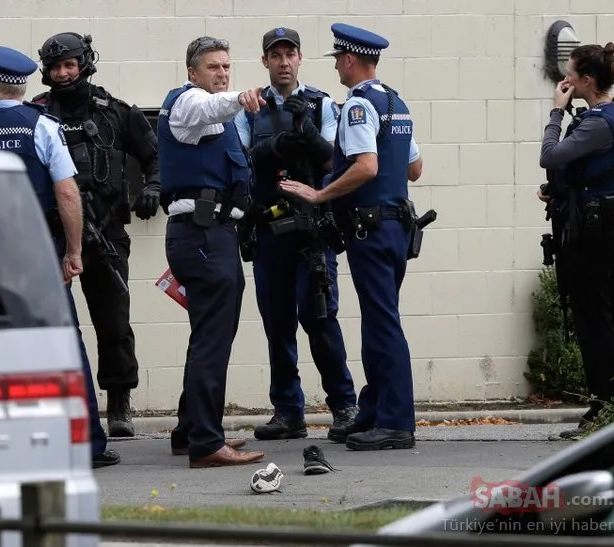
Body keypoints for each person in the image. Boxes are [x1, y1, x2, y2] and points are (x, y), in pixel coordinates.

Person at [0, 45, 120, 468]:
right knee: (62, 343)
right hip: (38, 249)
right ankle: (87, 445)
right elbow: (66, 192)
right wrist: (74, 251)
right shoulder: (42, 126)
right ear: (22, 85)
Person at [279, 23, 423, 451]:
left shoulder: (359, 106)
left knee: (383, 324)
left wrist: (320, 193)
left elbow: (366, 166)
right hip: (395, 226)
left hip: (372, 228)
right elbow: (414, 169)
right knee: (382, 320)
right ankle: (374, 410)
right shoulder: (395, 102)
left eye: (339, 59)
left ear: (350, 60)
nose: (338, 66)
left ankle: (396, 423)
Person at [31, 32, 162, 438]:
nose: (64, 73)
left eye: (70, 64)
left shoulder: (116, 112)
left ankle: (119, 404)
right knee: (48, 325)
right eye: (56, 67)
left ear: (85, 63)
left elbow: (156, 155)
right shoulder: (34, 114)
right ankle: (53, 404)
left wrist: (153, 187)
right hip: (51, 238)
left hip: (106, 235)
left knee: (113, 324)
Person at [233, 27, 358, 443]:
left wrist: (305, 139)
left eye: (290, 54)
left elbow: (333, 162)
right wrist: (278, 148)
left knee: (319, 317)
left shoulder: (322, 104)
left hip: (312, 232)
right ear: (265, 61)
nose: (283, 62)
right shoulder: (250, 108)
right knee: (278, 322)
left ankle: (344, 406)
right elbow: (243, 162)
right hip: (269, 230)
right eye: (275, 55)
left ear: (300, 59)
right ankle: (288, 411)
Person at [157, 36, 267, 468]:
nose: (221, 73)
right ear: (192, 72)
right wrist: (239, 98)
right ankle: (205, 442)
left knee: (206, 337)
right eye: (212, 67)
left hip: (212, 234)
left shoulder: (211, 116)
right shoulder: (188, 102)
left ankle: (189, 431)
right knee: (212, 342)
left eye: (226, 66)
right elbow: (209, 107)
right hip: (202, 235)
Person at [537, 42, 614, 439]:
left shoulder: (597, 122)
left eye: (571, 75)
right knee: (610, 318)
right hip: (610, 228)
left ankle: (603, 413)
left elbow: (551, 155)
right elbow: (590, 171)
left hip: (593, 238)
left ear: (587, 81)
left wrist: (555, 112)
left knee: (594, 323)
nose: (566, 81)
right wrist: (560, 191)